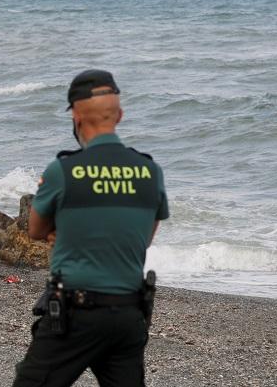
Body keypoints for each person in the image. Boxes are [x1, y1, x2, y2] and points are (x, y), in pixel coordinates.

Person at [13, 70, 169, 387]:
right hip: (128, 314)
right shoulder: (150, 171)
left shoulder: (63, 170)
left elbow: (35, 229)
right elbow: (144, 239)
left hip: (74, 315)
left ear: (76, 116)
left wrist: (70, 230)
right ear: (120, 115)